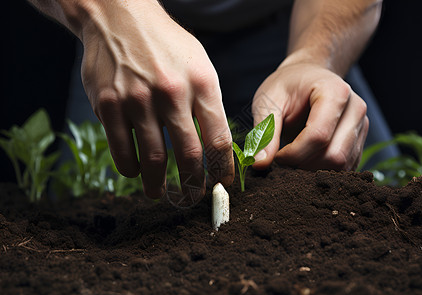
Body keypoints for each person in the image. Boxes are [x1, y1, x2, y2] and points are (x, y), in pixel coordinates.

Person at [28, 0, 393, 203]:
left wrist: (314, 58)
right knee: (92, 205)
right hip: (129, 40)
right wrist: (108, 13)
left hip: (289, 27)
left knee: (370, 200)